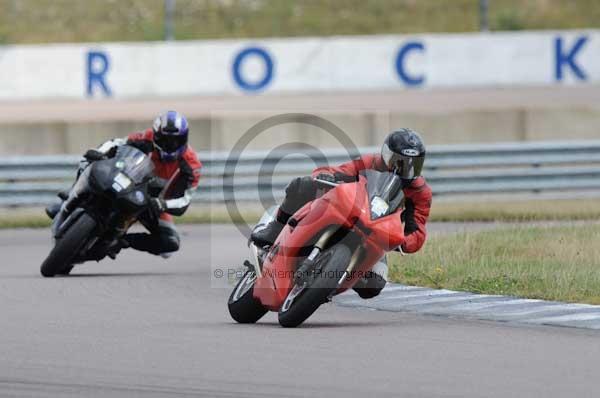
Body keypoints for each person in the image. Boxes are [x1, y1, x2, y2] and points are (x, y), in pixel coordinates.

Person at [250, 128, 432, 299]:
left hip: (375, 233)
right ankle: (275, 227)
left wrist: (401, 241)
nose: (405, 169)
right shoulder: (370, 163)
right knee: (302, 186)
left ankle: (325, 286)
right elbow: (339, 172)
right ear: (386, 155)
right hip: (349, 213)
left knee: (373, 285)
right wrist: (325, 176)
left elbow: (417, 230)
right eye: (399, 161)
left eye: (413, 165)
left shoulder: (420, 193)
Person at [46, 111, 202, 258]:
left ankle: (121, 241)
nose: (170, 145)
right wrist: (99, 151)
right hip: (128, 180)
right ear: (156, 135)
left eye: (175, 141)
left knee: (170, 244)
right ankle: (70, 197)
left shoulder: (192, 165)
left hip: (153, 203)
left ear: (184, 139)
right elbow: (118, 142)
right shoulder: (146, 137)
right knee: (86, 163)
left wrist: (162, 204)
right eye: (165, 140)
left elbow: (184, 200)